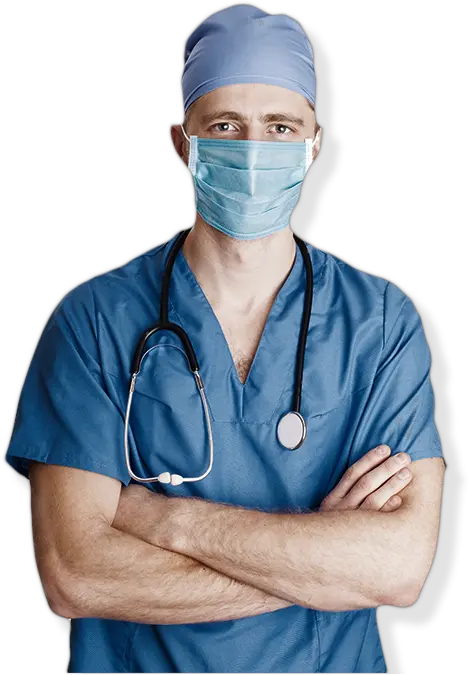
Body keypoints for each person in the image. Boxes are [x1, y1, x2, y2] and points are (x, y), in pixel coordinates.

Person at [3, 3, 445, 673]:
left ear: (314, 144)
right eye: (226, 126)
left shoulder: (380, 324)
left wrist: (166, 520)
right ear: (184, 143)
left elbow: (400, 566)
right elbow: (74, 574)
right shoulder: (93, 321)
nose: (253, 150)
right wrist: (322, 561)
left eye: (280, 127)